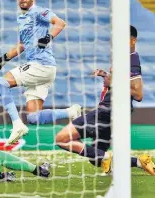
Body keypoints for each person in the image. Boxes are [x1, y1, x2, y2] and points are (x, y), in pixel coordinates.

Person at [55, 25, 155, 175]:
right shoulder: (123, 58)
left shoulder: (132, 60)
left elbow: (138, 94)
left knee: (62, 138)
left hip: (108, 111)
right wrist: (106, 75)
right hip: (114, 113)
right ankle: (141, 161)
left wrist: (113, 82)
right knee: (96, 158)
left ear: (133, 40)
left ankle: (107, 156)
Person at [0, 0, 81, 146]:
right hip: (43, 70)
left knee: (0, 83)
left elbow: (60, 23)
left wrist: (49, 37)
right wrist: (4, 58)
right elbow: (22, 45)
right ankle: (71, 111)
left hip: (41, 65)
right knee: (32, 117)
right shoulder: (22, 18)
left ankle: (17, 125)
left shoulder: (39, 12)